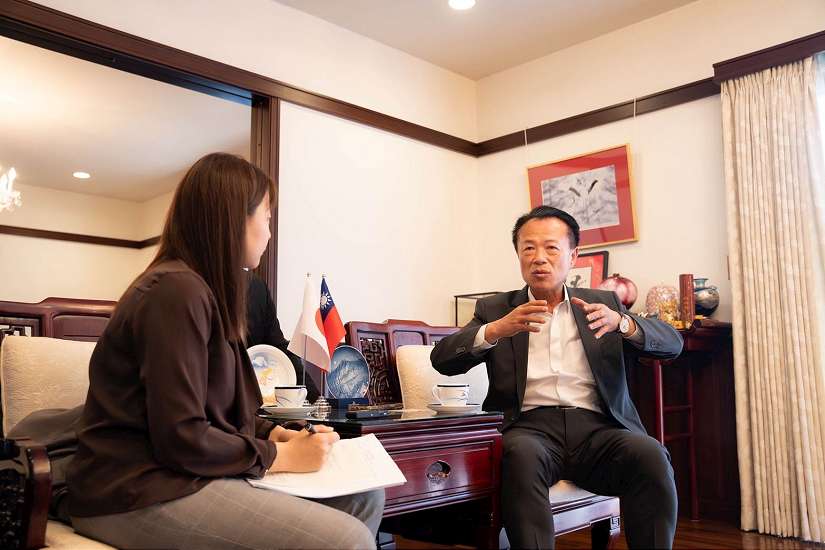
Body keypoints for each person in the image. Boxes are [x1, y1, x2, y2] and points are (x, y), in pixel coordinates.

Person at [67, 153, 384, 550]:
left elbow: (223, 412)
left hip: (184, 473)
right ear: (235, 220)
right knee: (348, 540)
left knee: (365, 497)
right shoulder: (174, 292)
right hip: (136, 487)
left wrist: (278, 434)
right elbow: (181, 436)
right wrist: (279, 456)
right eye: (266, 218)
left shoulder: (210, 293)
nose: (269, 233)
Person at [431, 205, 683, 550]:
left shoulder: (604, 303)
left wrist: (623, 324)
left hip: (599, 432)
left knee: (650, 455)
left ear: (573, 255)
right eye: (528, 248)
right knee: (519, 456)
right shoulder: (495, 310)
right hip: (529, 430)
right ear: (518, 255)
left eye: (551, 247)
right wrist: (495, 330)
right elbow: (442, 360)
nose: (539, 258)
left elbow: (672, 344)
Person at [246, 272, 321, 401]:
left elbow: (278, 346)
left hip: (259, 403)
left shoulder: (257, 287)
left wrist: (315, 399)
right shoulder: (207, 288)